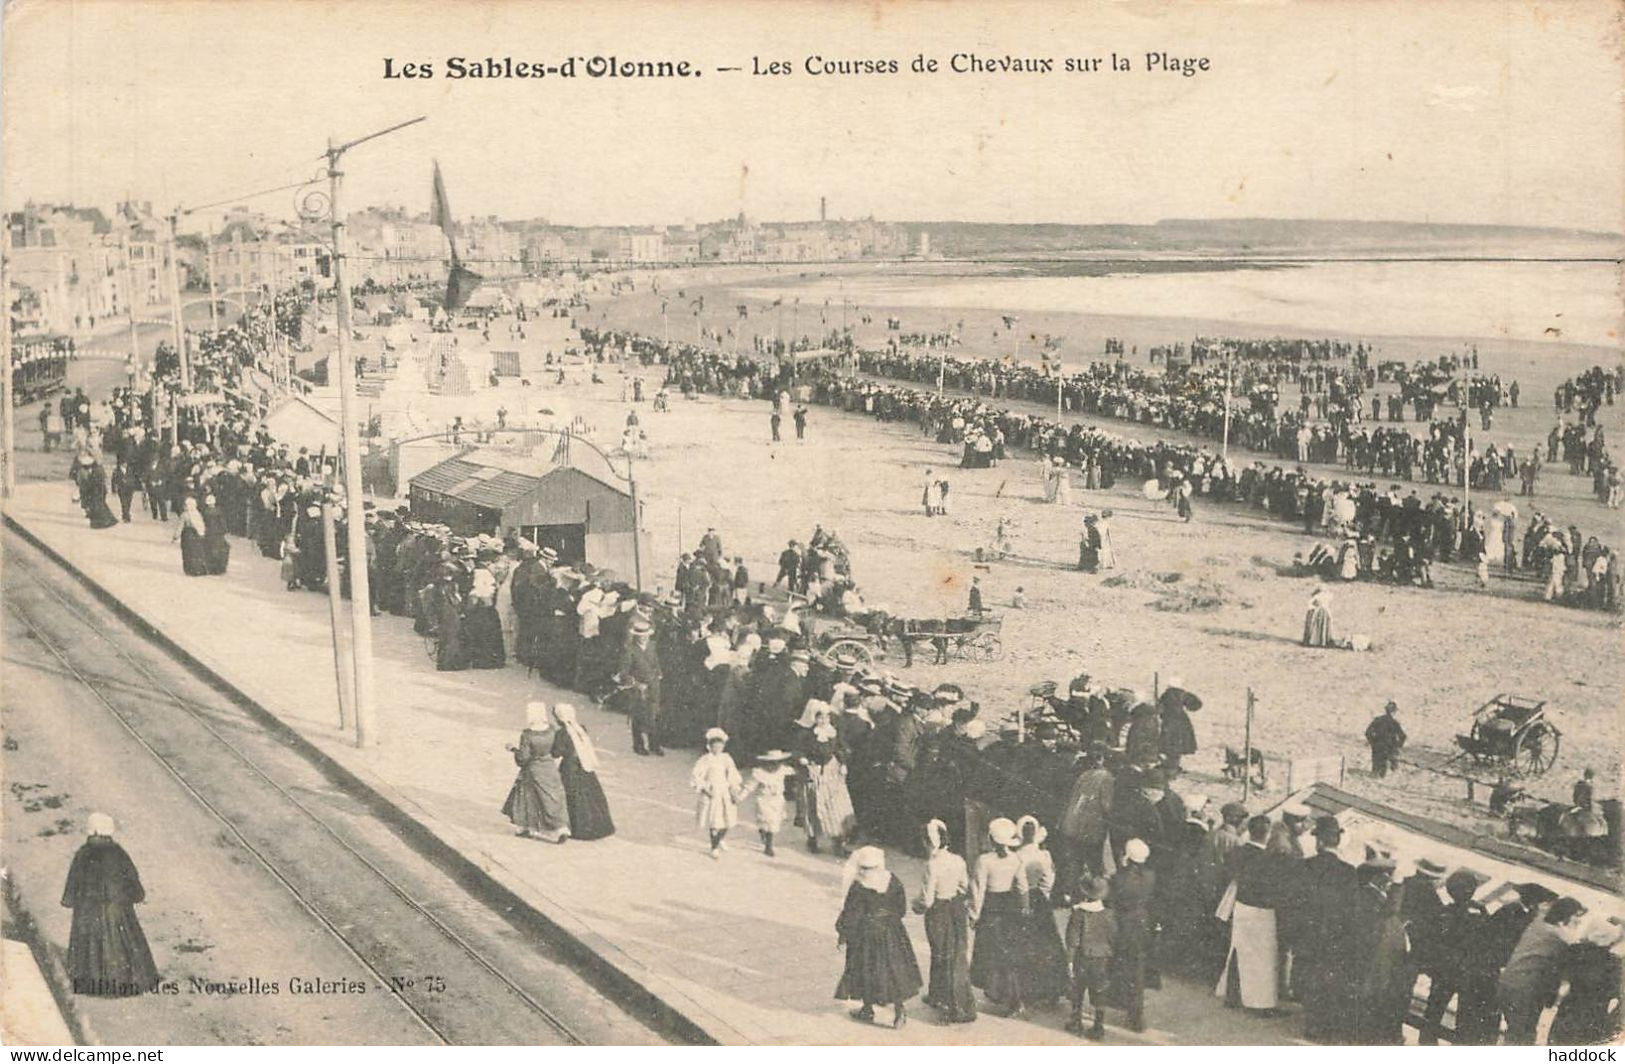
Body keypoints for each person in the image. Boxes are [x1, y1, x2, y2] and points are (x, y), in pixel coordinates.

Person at [60, 813, 160, 997]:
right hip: (117, 911)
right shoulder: (118, 853)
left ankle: (91, 983)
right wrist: (135, 895)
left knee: (89, 947)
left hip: (88, 912)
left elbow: (73, 883)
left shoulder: (83, 854)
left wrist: (70, 900)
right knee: (124, 944)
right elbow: (131, 880)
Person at [835, 846, 922, 1029]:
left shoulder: (859, 886)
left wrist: (843, 935)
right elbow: (900, 908)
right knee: (894, 971)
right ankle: (899, 1011)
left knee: (866, 969)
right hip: (892, 932)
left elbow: (851, 914)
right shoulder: (892, 880)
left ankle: (867, 1009)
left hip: (866, 934)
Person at [1498, 896, 1588, 1044]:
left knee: (1516, 1030)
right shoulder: (1558, 936)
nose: (1578, 922)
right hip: (1525, 990)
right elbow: (1573, 946)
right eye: (1575, 918)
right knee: (1522, 1034)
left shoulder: (1538, 923)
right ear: (1565, 916)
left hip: (1509, 983)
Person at [913, 819, 976, 1024]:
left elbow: (927, 899)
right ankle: (953, 999)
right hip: (956, 910)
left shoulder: (932, 865)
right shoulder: (958, 860)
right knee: (956, 954)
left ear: (929, 841)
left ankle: (944, 1002)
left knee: (939, 953)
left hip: (938, 912)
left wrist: (917, 905)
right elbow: (965, 886)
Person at [970, 817, 1031, 1017]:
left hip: (991, 908)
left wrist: (974, 915)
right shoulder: (1016, 860)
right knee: (1009, 952)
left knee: (993, 953)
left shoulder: (984, 861)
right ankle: (1014, 997)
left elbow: (978, 891)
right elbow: (1023, 888)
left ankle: (1003, 995)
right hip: (1009, 907)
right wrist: (1024, 908)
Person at [1217, 815, 1279, 1013]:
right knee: (1262, 957)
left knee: (1238, 951)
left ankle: (1233, 994)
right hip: (1262, 910)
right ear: (1267, 834)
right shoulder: (1270, 859)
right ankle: (1259, 1002)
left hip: (1241, 905)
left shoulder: (1237, 852)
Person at [1015, 815, 1070, 1008]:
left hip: (1023, 900)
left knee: (1024, 944)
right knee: (1047, 943)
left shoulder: (1017, 856)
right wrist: (1044, 894)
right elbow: (1049, 879)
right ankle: (1052, 988)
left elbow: (1017, 883)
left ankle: (1027, 990)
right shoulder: (1043, 856)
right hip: (1040, 900)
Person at [501, 702, 571, 843]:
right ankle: (560, 827)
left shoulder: (527, 734)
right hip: (549, 767)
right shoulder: (551, 730)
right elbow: (555, 749)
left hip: (533, 769)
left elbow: (523, 758)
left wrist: (513, 749)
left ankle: (525, 827)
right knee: (552, 798)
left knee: (526, 798)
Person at [1109, 837, 1158, 1032]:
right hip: (1143, 923)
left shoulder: (1119, 878)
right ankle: (1134, 1012)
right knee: (1137, 966)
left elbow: (1113, 899)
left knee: (1122, 965)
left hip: (1123, 924)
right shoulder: (1151, 876)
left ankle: (1124, 1006)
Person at [1064, 874, 1117, 1039]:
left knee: (1078, 989)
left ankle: (1076, 1021)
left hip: (1083, 957)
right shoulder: (1109, 914)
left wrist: (1070, 961)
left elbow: (1073, 940)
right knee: (1099, 990)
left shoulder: (1079, 914)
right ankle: (1098, 1026)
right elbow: (1114, 937)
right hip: (1102, 957)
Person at [551, 703, 614, 840]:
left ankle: (576, 828)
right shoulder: (581, 729)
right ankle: (597, 826)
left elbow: (556, 753)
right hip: (585, 766)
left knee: (572, 797)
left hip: (569, 768)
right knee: (590, 795)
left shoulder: (562, 733)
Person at [691, 727, 743, 859]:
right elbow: (697, 775)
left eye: (720, 746)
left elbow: (732, 774)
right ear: (709, 746)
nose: (718, 749)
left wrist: (734, 789)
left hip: (725, 791)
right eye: (715, 746)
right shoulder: (706, 759)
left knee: (727, 819)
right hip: (712, 792)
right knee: (714, 821)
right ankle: (714, 846)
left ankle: (720, 839)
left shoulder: (727, 758)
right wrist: (704, 787)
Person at [72, 454, 119, 529]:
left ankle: (100, 523)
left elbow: (94, 483)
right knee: (98, 507)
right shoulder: (96, 470)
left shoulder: (96, 471)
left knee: (98, 507)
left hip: (96, 492)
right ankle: (102, 522)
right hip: (96, 492)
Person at [1364, 701, 1406, 777]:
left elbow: (1368, 732)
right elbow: (1403, 736)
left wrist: (1373, 742)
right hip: (1389, 749)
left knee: (1375, 770)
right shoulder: (1394, 723)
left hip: (1377, 748)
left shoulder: (1378, 720)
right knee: (1385, 773)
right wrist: (1397, 746)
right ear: (1394, 712)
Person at [176, 496, 209, 576]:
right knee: (196, 552)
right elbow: (201, 525)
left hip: (187, 535)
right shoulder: (197, 514)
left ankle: (189, 569)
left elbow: (180, 526)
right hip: (196, 535)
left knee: (187, 552)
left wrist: (176, 536)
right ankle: (199, 569)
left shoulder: (184, 515)